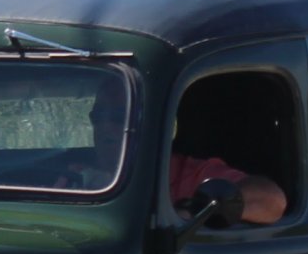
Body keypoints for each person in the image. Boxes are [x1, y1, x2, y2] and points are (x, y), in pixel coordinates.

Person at [58, 84, 287, 226]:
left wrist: (193, 211)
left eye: (119, 116)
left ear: (149, 123)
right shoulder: (74, 173)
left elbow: (272, 201)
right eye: (98, 116)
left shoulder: (190, 173)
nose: (105, 126)